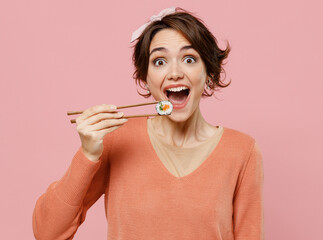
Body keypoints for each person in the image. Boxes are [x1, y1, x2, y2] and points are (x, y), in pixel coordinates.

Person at [32, 7, 264, 240]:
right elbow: (47, 234)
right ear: (145, 78)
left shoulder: (242, 151)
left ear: (209, 73)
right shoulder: (117, 139)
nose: (174, 73)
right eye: (160, 61)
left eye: (189, 59)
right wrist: (88, 154)